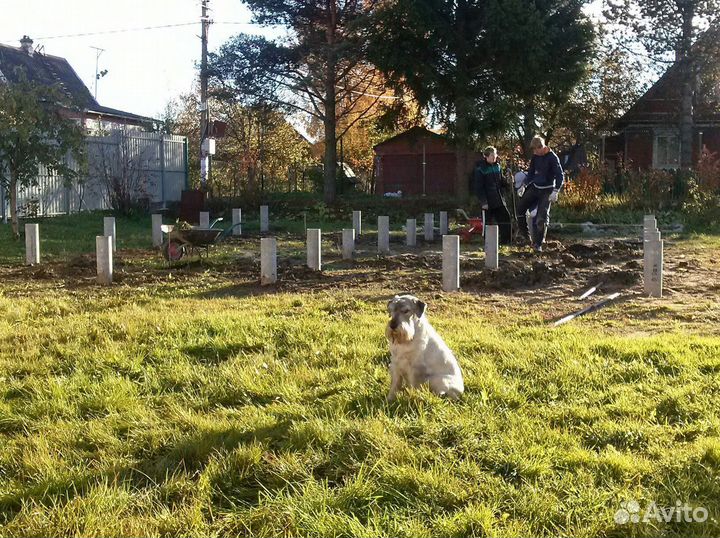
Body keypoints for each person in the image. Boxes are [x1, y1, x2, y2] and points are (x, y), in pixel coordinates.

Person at [515, 135, 564, 252]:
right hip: (535, 187)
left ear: (542, 147)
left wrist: (556, 190)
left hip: (547, 190)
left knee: (541, 218)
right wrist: (524, 185)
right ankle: (526, 237)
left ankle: (538, 244)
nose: (534, 152)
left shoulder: (552, 158)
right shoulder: (535, 157)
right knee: (520, 209)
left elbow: (560, 175)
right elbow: (531, 173)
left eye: (536, 150)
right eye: (533, 151)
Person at [473, 146, 512, 244]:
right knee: (488, 223)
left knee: (506, 219)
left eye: (495, 154)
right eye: (492, 155)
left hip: (498, 199)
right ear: (486, 156)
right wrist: (483, 202)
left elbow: (500, 181)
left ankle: (505, 242)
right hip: (488, 201)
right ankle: (489, 243)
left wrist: (508, 182)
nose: (495, 157)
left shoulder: (497, 166)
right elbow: (479, 187)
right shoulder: (480, 169)